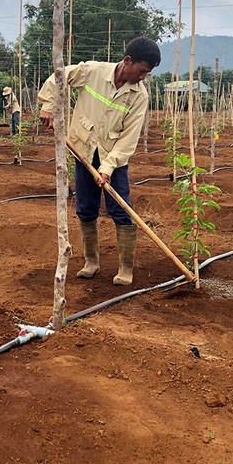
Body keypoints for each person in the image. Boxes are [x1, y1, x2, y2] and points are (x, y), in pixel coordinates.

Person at [37, 37, 160, 286]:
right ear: (127, 61)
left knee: (121, 208)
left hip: (113, 157)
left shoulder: (139, 96)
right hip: (83, 149)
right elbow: (60, 76)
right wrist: (48, 104)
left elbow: (128, 139)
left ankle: (126, 268)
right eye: (142, 71)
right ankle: (91, 262)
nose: (143, 77)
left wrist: (107, 168)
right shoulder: (93, 72)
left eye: (147, 73)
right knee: (85, 207)